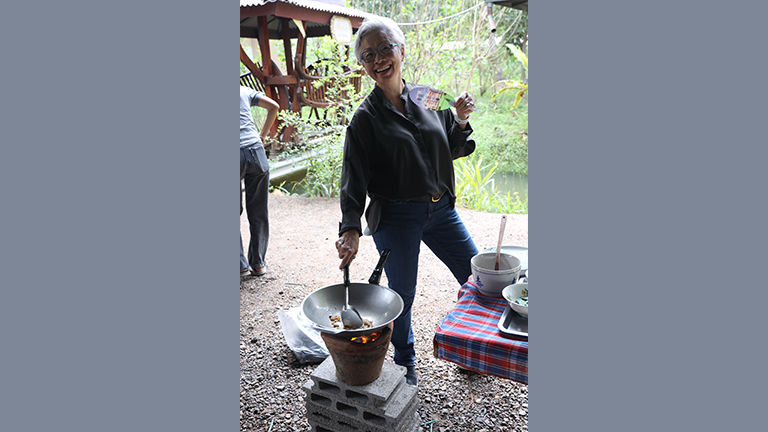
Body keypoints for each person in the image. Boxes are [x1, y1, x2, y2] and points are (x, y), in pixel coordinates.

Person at [334, 18, 479, 386]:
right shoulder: (364, 120)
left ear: (402, 51)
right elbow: (353, 176)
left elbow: (451, 144)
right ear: (364, 66)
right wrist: (350, 228)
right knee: (402, 294)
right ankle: (404, 359)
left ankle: (470, 347)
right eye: (369, 55)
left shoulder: (427, 96)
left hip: (441, 209)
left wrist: (460, 120)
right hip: (396, 217)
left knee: (476, 277)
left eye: (385, 49)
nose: (379, 59)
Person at [240, 85, 278, 280]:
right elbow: (274, 106)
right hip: (256, 150)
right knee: (258, 211)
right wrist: (262, 136)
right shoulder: (243, 90)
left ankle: (240, 265)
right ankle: (258, 264)